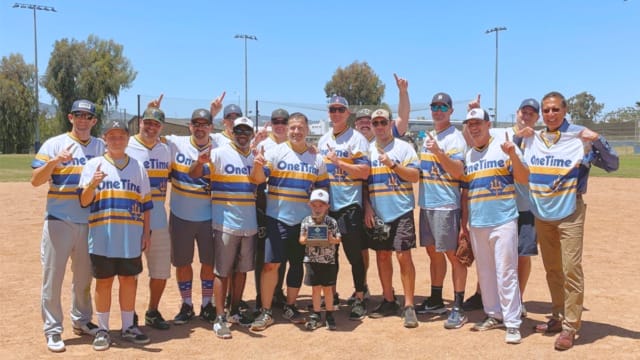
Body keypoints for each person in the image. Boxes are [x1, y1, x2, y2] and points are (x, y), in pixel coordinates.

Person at [524, 91, 618, 351]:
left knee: (571, 268)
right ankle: (558, 315)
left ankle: (570, 326)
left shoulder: (579, 136)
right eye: (546, 110)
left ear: (565, 111)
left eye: (555, 109)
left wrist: (597, 140)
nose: (550, 114)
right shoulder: (536, 138)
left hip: (570, 211)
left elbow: (612, 164)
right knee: (552, 268)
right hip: (543, 212)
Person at [31, 99, 104, 352]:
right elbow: (35, 180)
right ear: (70, 118)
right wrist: (54, 163)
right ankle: (52, 329)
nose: (83, 120)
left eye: (88, 116)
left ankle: (82, 320)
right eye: (78, 115)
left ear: (94, 121)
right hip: (59, 220)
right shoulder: (54, 144)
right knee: (53, 277)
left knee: (84, 278)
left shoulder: (101, 146)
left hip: (90, 222)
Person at [249, 112, 329, 331]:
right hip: (278, 218)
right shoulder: (275, 153)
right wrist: (257, 165)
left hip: (304, 222)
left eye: (300, 127)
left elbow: (322, 189)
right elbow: (258, 179)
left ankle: (290, 306)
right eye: (292, 127)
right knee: (270, 265)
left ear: (307, 130)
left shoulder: (317, 158)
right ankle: (266, 311)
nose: (296, 131)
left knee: (296, 264)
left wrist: (318, 219)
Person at [463, 98, 541, 317]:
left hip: (525, 204)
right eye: (523, 112)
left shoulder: (539, 139)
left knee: (522, 255)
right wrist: (474, 111)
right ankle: (483, 296)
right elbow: (476, 134)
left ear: (537, 118)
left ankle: (519, 299)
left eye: (531, 114)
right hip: (496, 205)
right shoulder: (501, 132)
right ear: (516, 113)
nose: (526, 116)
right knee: (489, 255)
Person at [79, 118, 153, 351]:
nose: (116, 140)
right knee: (103, 282)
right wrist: (92, 184)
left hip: (130, 236)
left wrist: (146, 233)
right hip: (102, 235)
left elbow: (146, 203)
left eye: (121, 136)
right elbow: (84, 200)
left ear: (127, 139)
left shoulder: (138, 167)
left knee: (129, 280)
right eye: (111, 136)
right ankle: (102, 329)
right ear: (104, 140)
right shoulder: (94, 165)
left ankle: (128, 326)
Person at [460, 108, 528, 344]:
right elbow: (467, 191)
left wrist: (513, 155)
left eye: (478, 122)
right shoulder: (469, 155)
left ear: (488, 125)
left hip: (503, 220)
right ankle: (493, 314)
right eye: (470, 124)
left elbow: (523, 178)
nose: (474, 127)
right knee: (485, 273)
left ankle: (512, 322)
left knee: (506, 271)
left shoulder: (504, 147)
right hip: (478, 222)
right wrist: (465, 223)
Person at [190, 116, 258, 339]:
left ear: (252, 134)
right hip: (225, 222)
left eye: (246, 131)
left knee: (242, 270)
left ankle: (235, 311)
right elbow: (194, 175)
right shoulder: (218, 152)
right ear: (232, 132)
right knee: (222, 271)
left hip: (249, 223)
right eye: (238, 130)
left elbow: (259, 183)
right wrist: (199, 162)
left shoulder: (257, 157)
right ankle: (220, 317)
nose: (242, 134)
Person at [415, 92, 469, 330]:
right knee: (433, 253)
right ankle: (436, 299)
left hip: (446, 205)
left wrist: (438, 152)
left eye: (442, 106)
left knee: (453, 255)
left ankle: (458, 305)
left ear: (450, 110)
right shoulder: (429, 136)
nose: (438, 110)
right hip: (427, 204)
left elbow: (458, 171)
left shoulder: (454, 138)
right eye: (434, 106)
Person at [363, 109, 421, 328]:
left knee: (403, 256)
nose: (379, 126)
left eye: (383, 122)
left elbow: (415, 176)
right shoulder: (367, 150)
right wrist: (367, 207)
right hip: (378, 212)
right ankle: (388, 300)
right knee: (382, 256)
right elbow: (364, 184)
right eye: (375, 122)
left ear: (390, 123)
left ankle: (408, 306)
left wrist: (393, 165)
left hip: (401, 210)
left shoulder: (404, 147)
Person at [318, 96, 371, 321]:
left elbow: (365, 172)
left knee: (354, 255)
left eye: (340, 109)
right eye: (332, 109)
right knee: (328, 254)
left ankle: (360, 297)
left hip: (349, 205)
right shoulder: (323, 140)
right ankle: (331, 294)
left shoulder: (357, 139)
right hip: (327, 207)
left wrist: (339, 163)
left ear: (347, 113)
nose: (336, 113)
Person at [164, 108, 217, 325]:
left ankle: (207, 304)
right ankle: (186, 304)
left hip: (209, 216)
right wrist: (155, 109)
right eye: (196, 123)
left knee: (208, 263)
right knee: (182, 263)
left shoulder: (220, 148)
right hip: (180, 215)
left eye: (205, 124)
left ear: (211, 127)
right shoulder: (176, 143)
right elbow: (149, 135)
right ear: (190, 126)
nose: (200, 127)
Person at [126, 107, 172, 330]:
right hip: (131, 218)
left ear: (161, 128)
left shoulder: (165, 150)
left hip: (158, 217)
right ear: (140, 123)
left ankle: (153, 311)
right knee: (131, 271)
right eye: (148, 122)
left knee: (161, 270)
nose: (151, 127)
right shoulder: (127, 145)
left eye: (156, 124)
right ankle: (129, 314)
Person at [253, 108, 290, 311]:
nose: (279, 125)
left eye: (283, 121)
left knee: (281, 251)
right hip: (262, 203)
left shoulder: (293, 144)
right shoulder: (262, 144)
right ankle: (261, 294)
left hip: (283, 204)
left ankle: (277, 291)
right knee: (263, 252)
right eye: (276, 121)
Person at [299, 189, 341, 331]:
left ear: (327, 206)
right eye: (315, 205)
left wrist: (331, 239)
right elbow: (301, 239)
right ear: (309, 205)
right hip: (312, 260)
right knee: (315, 289)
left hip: (328, 261)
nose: (317, 209)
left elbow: (338, 239)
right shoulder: (306, 221)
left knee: (328, 289)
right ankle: (316, 314)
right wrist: (306, 239)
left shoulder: (332, 222)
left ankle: (329, 314)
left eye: (321, 205)